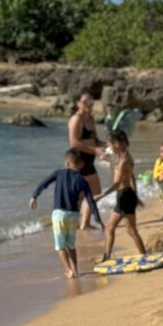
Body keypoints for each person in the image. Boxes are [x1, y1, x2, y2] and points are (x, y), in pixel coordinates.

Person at [30, 149, 103, 279]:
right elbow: (90, 200)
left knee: (60, 246)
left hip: (59, 215)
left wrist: (34, 196)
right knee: (71, 245)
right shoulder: (82, 180)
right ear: (80, 165)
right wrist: (97, 218)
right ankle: (75, 270)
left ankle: (68, 270)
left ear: (67, 163)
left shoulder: (58, 173)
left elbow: (44, 183)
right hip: (74, 215)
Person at [97, 130, 147, 262]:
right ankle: (144, 255)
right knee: (130, 230)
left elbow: (117, 183)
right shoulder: (125, 157)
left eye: (109, 144)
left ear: (117, 144)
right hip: (128, 194)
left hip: (124, 196)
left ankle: (107, 257)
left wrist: (101, 196)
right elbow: (132, 176)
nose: (108, 147)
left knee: (111, 228)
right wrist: (136, 195)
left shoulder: (123, 161)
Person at [68, 91, 104, 230]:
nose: (89, 104)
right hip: (78, 161)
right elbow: (74, 142)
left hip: (90, 161)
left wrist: (104, 144)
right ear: (78, 103)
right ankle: (74, 224)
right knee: (79, 196)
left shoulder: (91, 118)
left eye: (91, 102)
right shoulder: (77, 119)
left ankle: (85, 223)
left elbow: (94, 140)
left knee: (95, 192)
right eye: (85, 102)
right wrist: (95, 150)